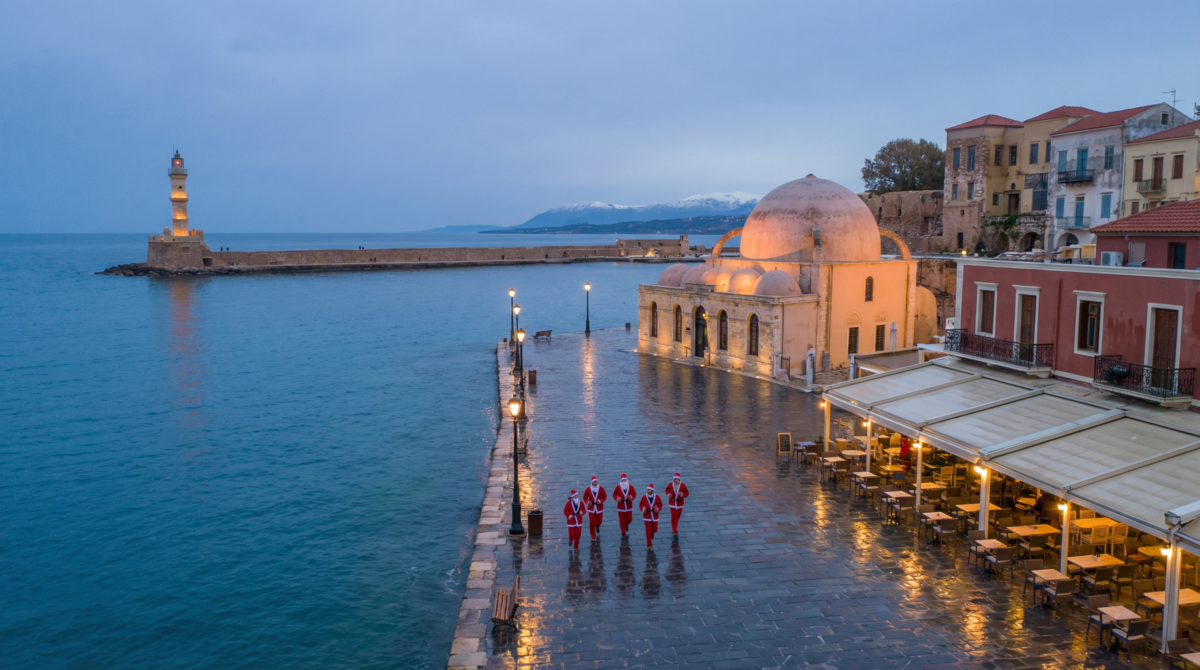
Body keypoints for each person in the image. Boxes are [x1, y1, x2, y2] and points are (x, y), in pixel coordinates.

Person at [582, 475, 607, 541]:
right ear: (592, 482)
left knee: (599, 521)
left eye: (596, 481)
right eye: (594, 482)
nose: (595, 483)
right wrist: (587, 502)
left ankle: (598, 526)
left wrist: (600, 501)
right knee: (592, 522)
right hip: (591, 508)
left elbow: (604, 496)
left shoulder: (601, 488)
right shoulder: (588, 489)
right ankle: (593, 536)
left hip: (599, 508)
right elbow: (584, 497)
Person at [664, 472, 689, 537]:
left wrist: (682, 494)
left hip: (680, 503)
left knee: (678, 516)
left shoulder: (683, 485)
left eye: (676, 479)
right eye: (674, 479)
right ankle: (674, 530)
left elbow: (687, 493)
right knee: (674, 516)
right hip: (672, 503)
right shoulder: (670, 484)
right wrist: (668, 495)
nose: (675, 480)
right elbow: (667, 490)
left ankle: (675, 525)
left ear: (679, 479)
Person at [639, 483, 663, 549]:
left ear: (652, 490)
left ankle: (652, 534)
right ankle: (649, 545)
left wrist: (657, 509)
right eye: (647, 490)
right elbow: (640, 504)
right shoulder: (644, 497)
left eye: (649, 490)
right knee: (648, 530)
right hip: (647, 516)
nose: (648, 491)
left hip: (655, 516)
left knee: (655, 529)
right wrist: (643, 509)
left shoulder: (657, 497)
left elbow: (660, 505)